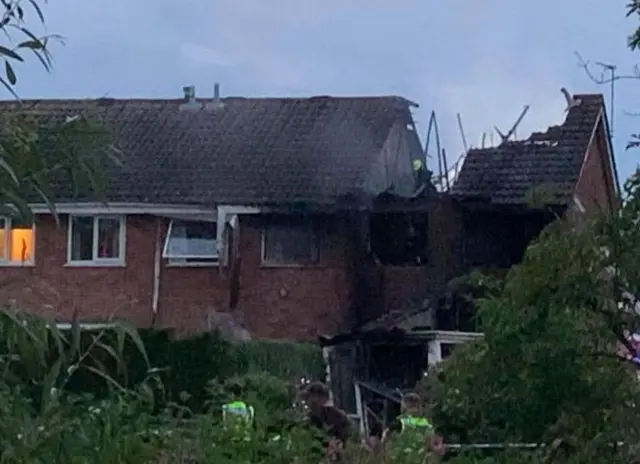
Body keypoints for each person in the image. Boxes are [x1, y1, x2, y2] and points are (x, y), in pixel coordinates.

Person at [383, 392, 445, 462]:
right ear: (419, 406)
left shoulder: (399, 422)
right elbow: (432, 448)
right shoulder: (428, 425)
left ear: (404, 406)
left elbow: (385, 438)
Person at [301, 382, 351, 462]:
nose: (314, 399)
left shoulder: (337, 416)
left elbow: (346, 435)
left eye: (318, 396)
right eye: (311, 396)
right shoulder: (305, 421)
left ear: (324, 399)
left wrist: (338, 443)